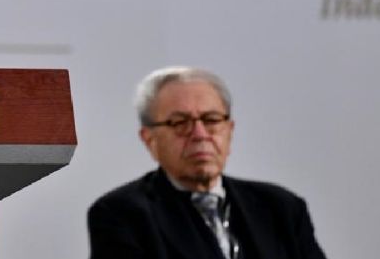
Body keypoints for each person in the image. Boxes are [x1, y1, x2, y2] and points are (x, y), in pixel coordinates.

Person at [87, 66, 327, 259]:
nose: (200, 135)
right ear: (149, 139)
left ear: (229, 130)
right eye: (179, 123)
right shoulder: (122, 214)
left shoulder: (281, 207)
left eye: (211, 120)